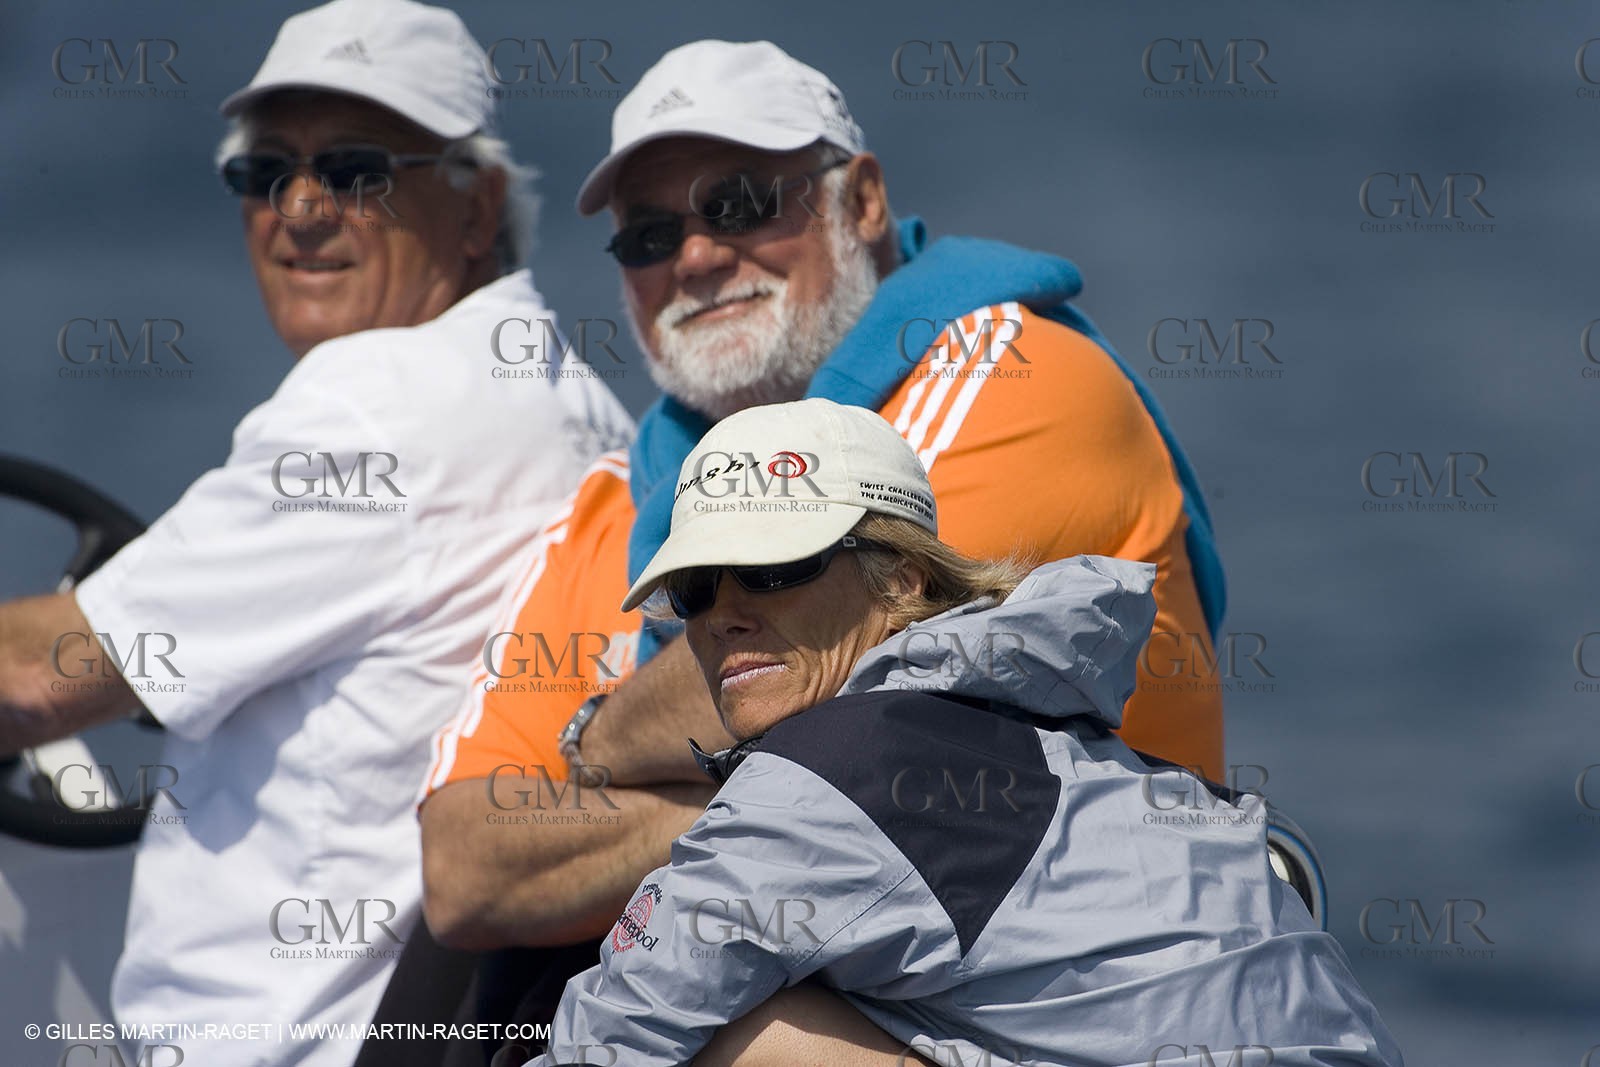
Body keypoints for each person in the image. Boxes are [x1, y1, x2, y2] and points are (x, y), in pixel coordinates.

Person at [420, 40, 1228, 980]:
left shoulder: (1018, 377)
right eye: (649, 235)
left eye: (741, 204)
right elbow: (465, 866)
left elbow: (834, 650)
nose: (695, 256)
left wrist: (590, 745)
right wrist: (786, 795)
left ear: (864, 201)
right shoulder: (627, 494)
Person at [0, 1, 629, 1064]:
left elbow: (35, 680)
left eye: (354, 169)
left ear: (475, 209)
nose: (297, 207)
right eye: (263, 172)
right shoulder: (576, 404)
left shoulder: (376, 401)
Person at [525, 398, 1402, 1067]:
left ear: (903, 579)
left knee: (732, 1035)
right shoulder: (1064, 738)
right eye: (697, 589)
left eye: (767, 567)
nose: (725, 617)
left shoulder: (831, 770)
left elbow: (608, 1037)